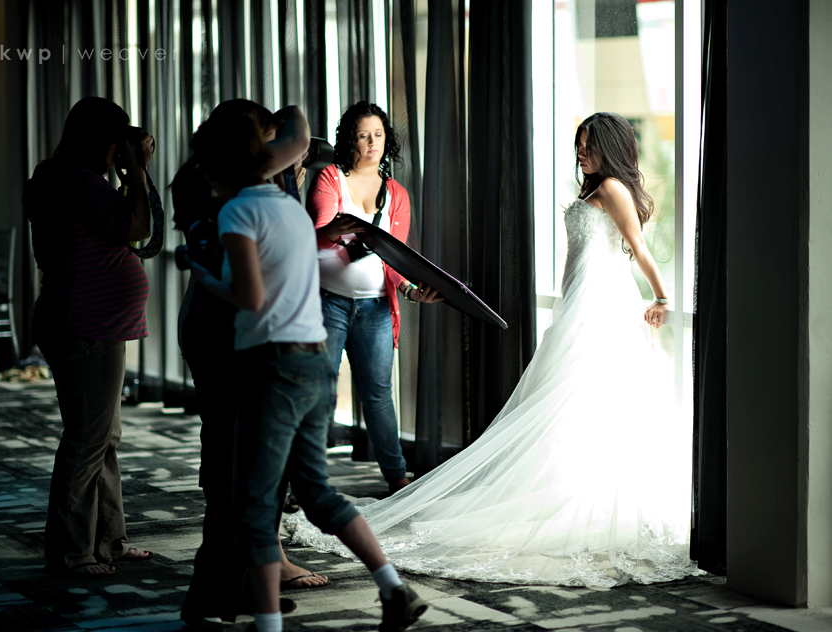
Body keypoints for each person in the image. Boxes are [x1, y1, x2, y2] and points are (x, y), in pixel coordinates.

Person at [288, 112, 699, 587]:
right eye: (580, 144)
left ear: (610, 147)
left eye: (589, 145)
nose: (582, 153)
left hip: (602, 303)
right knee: (560, 398)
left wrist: (661, 297)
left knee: (579, 398)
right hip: (579, 300)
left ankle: (580, 494)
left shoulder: (611, 189)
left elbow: (638, 248)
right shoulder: (594, 189)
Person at [185, 114, 428, 632]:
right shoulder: (289, 208)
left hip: (271, 365)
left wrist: (205, 274)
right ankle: (393, 587)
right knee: (317, 493)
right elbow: (295, 124)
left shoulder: (238, 211)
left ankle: (269, 626)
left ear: (219, 166)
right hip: (313, 361)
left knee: (255, 505)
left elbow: (250, 297)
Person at [174, 100, 327, 631]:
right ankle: (217, 592)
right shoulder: (220, 178)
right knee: (236, 465)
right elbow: (299, 131)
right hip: (228, 327)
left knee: (238, 463)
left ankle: (232, 587)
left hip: (221, 323)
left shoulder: (202, 174)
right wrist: (283, 120)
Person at [22, 96, 155, 577]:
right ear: (102, 141)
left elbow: (110, 224)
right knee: (87, 439)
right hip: (85, 323)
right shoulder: (78, 181)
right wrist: (136, 170)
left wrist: (126, 170)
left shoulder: (55, 175)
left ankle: (107, 539)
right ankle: (72, 549)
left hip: (84, 319)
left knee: (103, 436)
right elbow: (137, 225)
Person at [307, 101, 441, 495]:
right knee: (320, 391)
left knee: (378, 393)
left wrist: (411, 290)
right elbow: (314, 237)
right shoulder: (330, 178)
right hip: (328, 302)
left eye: (378, 135)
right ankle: (305, 481)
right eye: (364, 135)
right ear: (350, 139)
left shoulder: (396, 194)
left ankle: (397, 478)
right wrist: (336, 229)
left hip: (377, 308)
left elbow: (396, 259)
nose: (372, 143)